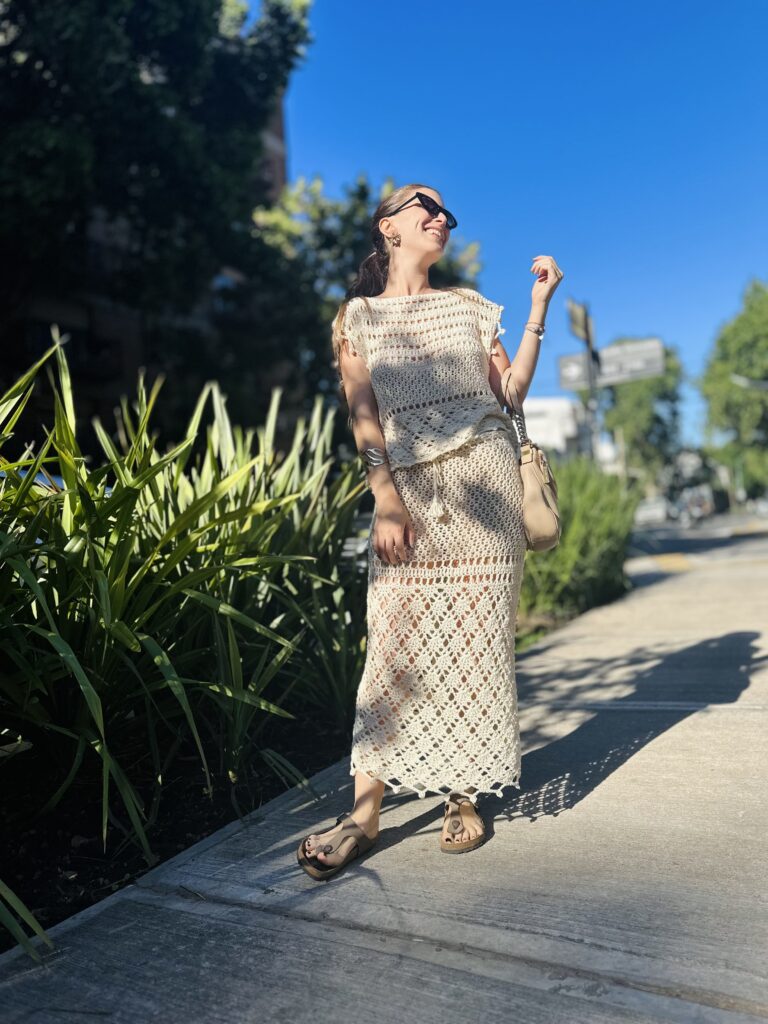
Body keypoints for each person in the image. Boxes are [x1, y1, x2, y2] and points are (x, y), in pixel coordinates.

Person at [297, 183, 562, 880]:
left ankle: (461, 793)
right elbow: (364, 418)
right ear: (388, 226)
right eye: (427, 205)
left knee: (475, 644)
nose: (441, 218)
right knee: (390, 646)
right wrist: (385, 499)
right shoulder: (357, 319)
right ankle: (365, 813)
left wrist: (537, 309)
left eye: (447, 212)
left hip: (486, 490)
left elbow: (509, 395)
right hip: (407, 495)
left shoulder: (469, 307)